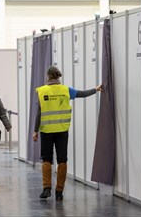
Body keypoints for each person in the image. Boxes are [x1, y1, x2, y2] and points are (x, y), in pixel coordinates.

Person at [33, 66, 103, 200]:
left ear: (48, 76)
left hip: (46, 131)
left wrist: (35, 131)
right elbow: (82, 94)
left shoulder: (41, 91)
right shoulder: (66, 90)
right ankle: (59, 191)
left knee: (46, 159)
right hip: (62, 131)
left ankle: (46, 189)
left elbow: (39, 113)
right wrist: (96, 89)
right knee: (62, 160)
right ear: (58, 76)